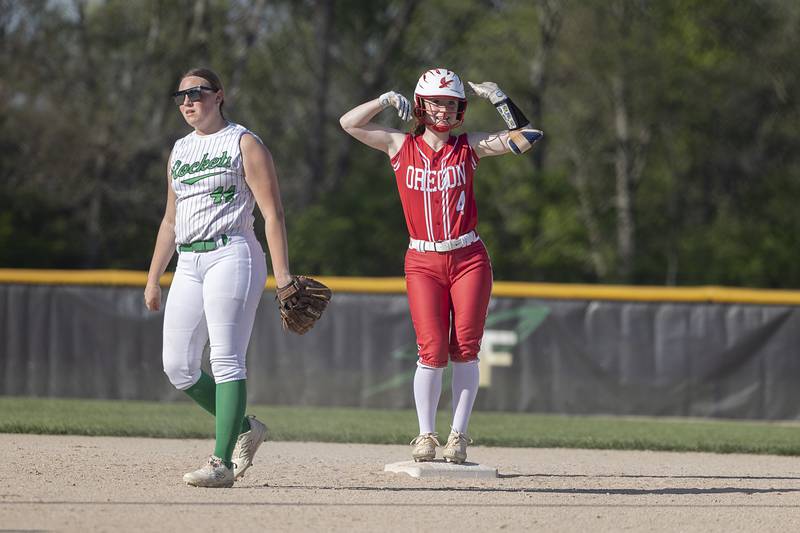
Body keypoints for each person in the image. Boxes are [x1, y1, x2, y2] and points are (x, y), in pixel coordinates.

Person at [339, 68, 542, 464]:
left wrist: (500, 99)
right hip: (423, 259)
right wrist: (382, 100)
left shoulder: (470, 146)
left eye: (451, 102)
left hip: (468, 258)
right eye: (435, 102)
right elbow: (348, 123)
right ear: (420, 105)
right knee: (430, 350)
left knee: (465, 349)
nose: (444, 110)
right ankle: (425, 435)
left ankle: (459, 436)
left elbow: (528, 138)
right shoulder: (399, 144)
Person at [144, 67, 292, 488]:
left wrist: (282, 276)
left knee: (225, 358)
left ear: (220, 96)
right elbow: (171, 221)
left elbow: (272, 213)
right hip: (188, 263)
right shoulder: (180, 150)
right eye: (181, 96)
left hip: (233, 254)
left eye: (197, 93)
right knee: (178, 366)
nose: (188, 102)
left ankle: (221, 462)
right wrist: (154, 277)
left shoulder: (244, 142)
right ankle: (246, 427)